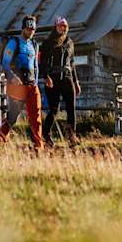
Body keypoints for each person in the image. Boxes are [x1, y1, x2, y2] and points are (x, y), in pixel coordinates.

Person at [0, 14, 44, 150]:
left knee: (36, 115)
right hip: (17, 84)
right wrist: (11, 76)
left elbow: (36, 66)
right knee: (13, 115)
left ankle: (38, 144)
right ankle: (0, 136)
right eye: (28, 29)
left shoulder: (35, 45)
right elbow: (5, 62)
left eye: (33, 30)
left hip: (32, 85)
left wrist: (36, 82)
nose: (31, 32)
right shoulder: (13, 43)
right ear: (23, 28)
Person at [41, 16, 81, 146]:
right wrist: (46, 76)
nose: (62, 28)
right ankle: (46, 135)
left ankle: (72, 136)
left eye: (64, 26)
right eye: (60, 26)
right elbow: (43, 63)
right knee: (54, 109)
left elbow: (72, 63)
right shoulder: (47, 43)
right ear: (55, 27)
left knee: (71, 108)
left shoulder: (70, 42)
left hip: (67, 78)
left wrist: (76, 82)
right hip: (53, 79)